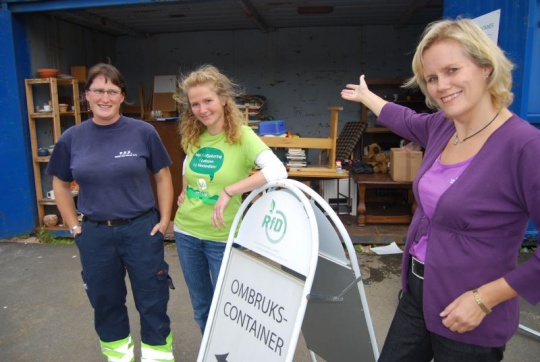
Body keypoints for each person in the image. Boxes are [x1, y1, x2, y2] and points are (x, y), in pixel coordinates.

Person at [341, 18, 540, 361]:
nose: (440, 86)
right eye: (431, 78)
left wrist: (485, 299)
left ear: (486, 69)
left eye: (452, 70)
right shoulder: (442, 127)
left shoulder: (524, 146)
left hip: (470, 308)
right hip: (418, 290)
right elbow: (402, 117)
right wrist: (366, 97)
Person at [46, 63, 175, 361]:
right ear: (87, 96)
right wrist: (73, 226)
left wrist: (165, 219)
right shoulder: (72, 138)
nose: (105, 98)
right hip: (96, 234)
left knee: (152, 298)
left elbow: (163, 176)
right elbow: (60, 184)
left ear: (122, 97)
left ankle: (159, 357)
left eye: (112, 91)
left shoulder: (143, 132)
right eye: (99, 91)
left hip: (141, 230)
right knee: (105, 301)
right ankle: (119, 357)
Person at [172, 64, 288, 333]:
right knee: (201, 308)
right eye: (195, 104)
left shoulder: (242, 136)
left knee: (227, 308)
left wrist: (229, 190)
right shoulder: (193, 134)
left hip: (222, 237)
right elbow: (186, 166)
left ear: (223, 99)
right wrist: (183, 190)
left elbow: (278, 170)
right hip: (186, 232)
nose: (202, 110)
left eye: (208, 101)